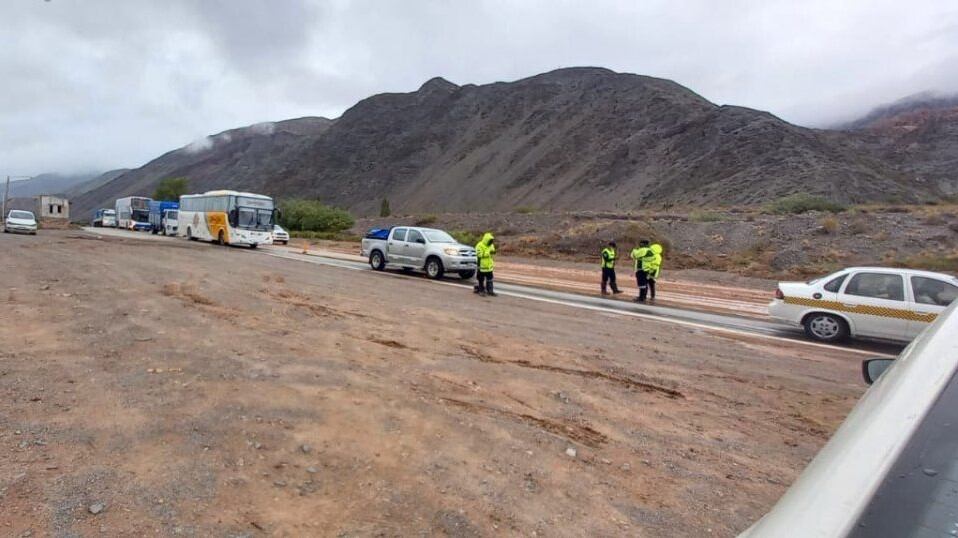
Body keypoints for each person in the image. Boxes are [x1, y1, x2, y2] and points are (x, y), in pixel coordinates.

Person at [474, 232, 497, 297]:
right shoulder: (479, 245)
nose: (491, 242)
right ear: (486, 240)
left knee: (490, 279)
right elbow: (479, 255)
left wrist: (493, 252)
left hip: (489, 266)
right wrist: (488, 253)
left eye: (492, 241)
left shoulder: (491, 245)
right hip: (482, 266)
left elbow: (492, 251)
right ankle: (481, 291)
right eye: (490, 240)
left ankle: (490, 291)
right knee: (481, 279)